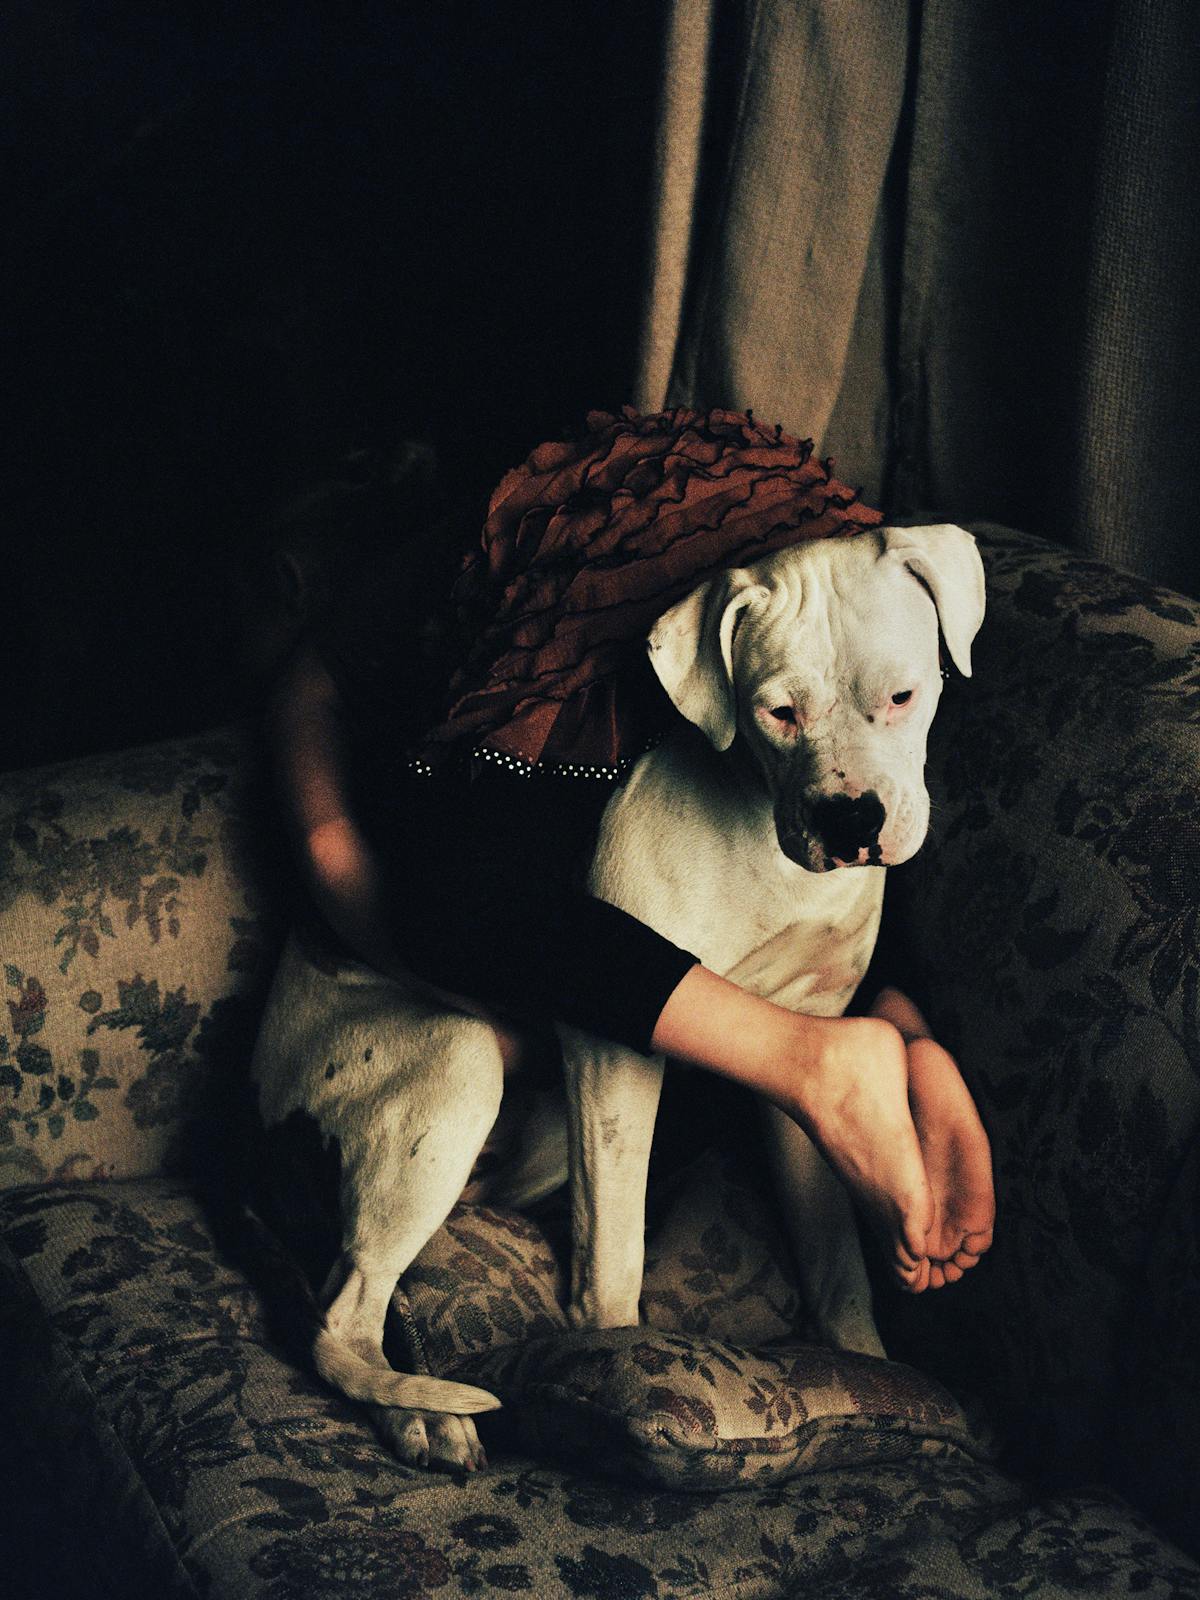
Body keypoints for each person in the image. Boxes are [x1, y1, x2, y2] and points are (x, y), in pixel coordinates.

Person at [260, 409, 995, 1293]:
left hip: (646, 613)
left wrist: (360, 886)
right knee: (477, 900)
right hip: (652, 611)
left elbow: (317, 687)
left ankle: (869, 1039)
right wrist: (348, 881)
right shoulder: (508, 608)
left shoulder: (495, 572)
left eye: (905, 697)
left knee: (473, 901)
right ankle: (844, 1043)